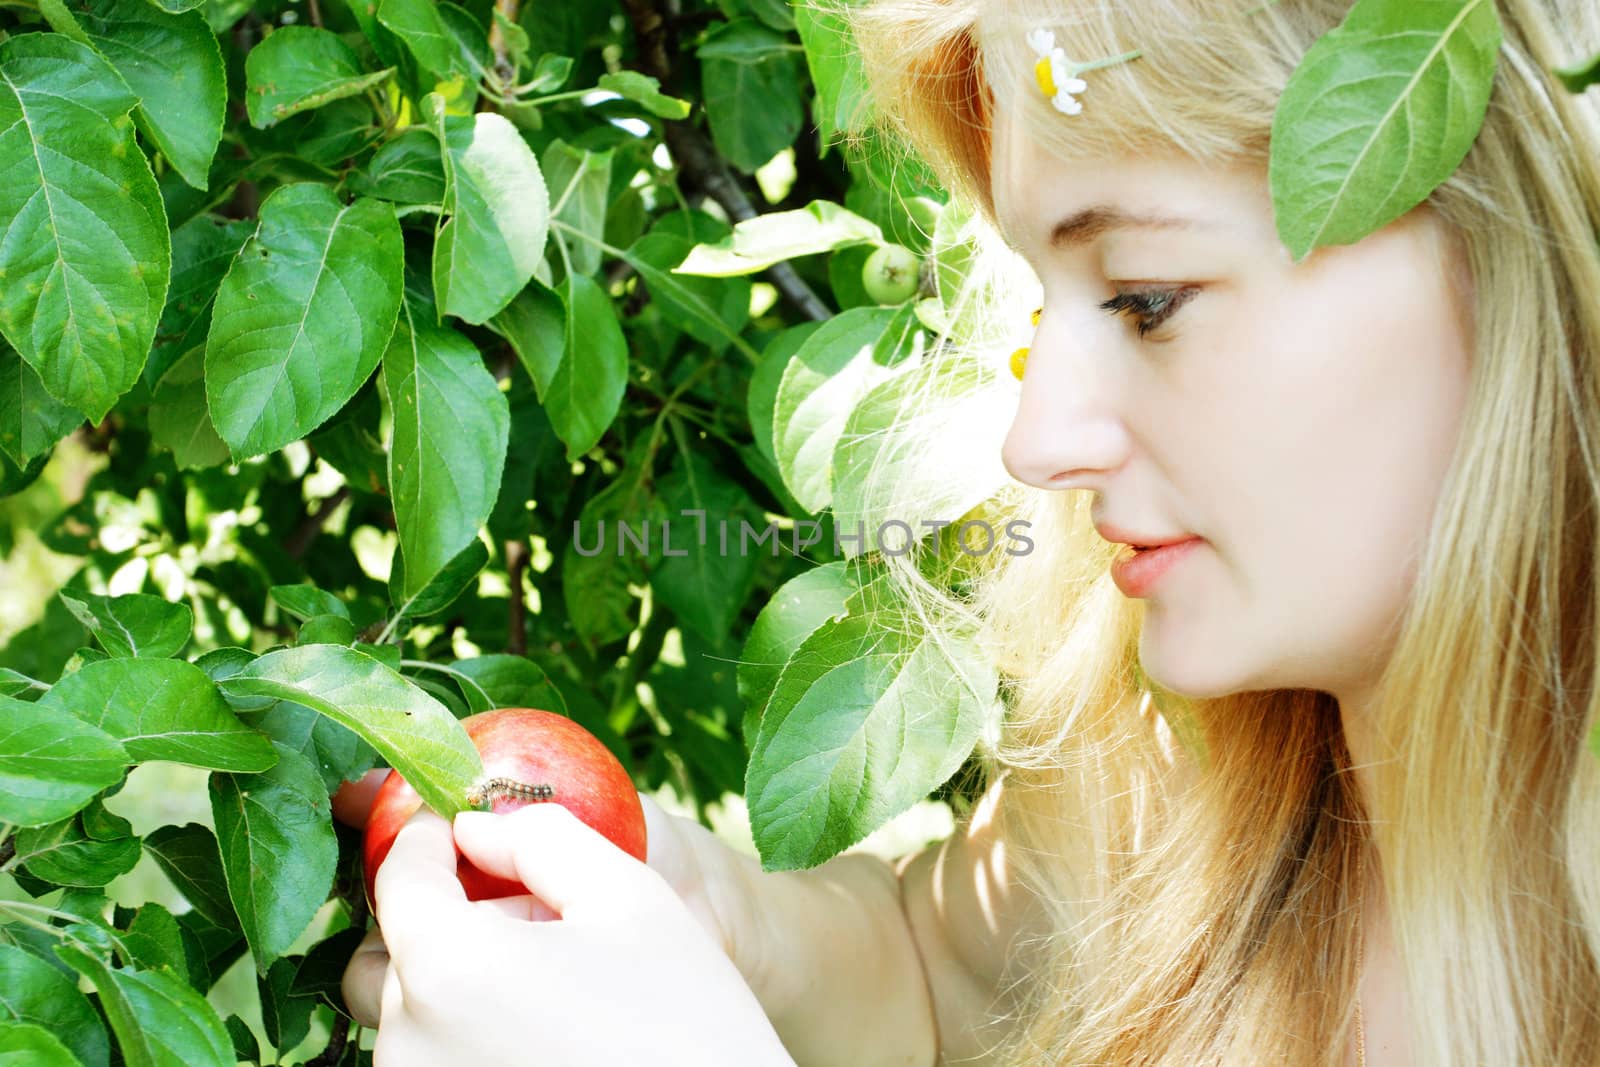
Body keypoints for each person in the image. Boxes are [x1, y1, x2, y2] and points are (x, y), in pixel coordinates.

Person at [338, 0, 1600, 1063]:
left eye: (1148, 298)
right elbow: (928, 968)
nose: (1036, 440)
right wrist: (729, 924)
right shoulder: (1183, 782)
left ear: (1527, 249)